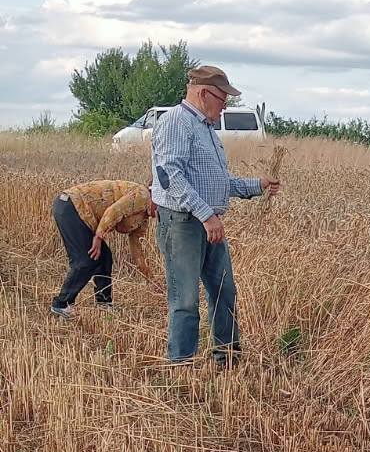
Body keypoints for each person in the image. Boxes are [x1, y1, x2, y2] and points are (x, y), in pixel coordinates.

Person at [150, 65, 280, 366]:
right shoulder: (176, 123)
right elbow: (169, 175)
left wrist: (257, 185)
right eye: (223, 99)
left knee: (224, 290)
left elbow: (218, 183)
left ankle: (228, 359)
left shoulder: (205, 129)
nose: (225, 107)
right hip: (182, 224)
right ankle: (180, 365)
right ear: (204, 93)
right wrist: (207, 216)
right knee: (185, 300)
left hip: (207, 224)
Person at [50, 179, 155, 316]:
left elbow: (137, 249)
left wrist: (151, 279)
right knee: (86, 260)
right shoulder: (142, 195)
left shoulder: (143, 219)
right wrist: (99, 237)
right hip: (71, 206)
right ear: (157, 197)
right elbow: (113, 211)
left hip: (81, 214)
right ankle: (60, 304)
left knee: (105, 258)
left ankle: (104, 304)